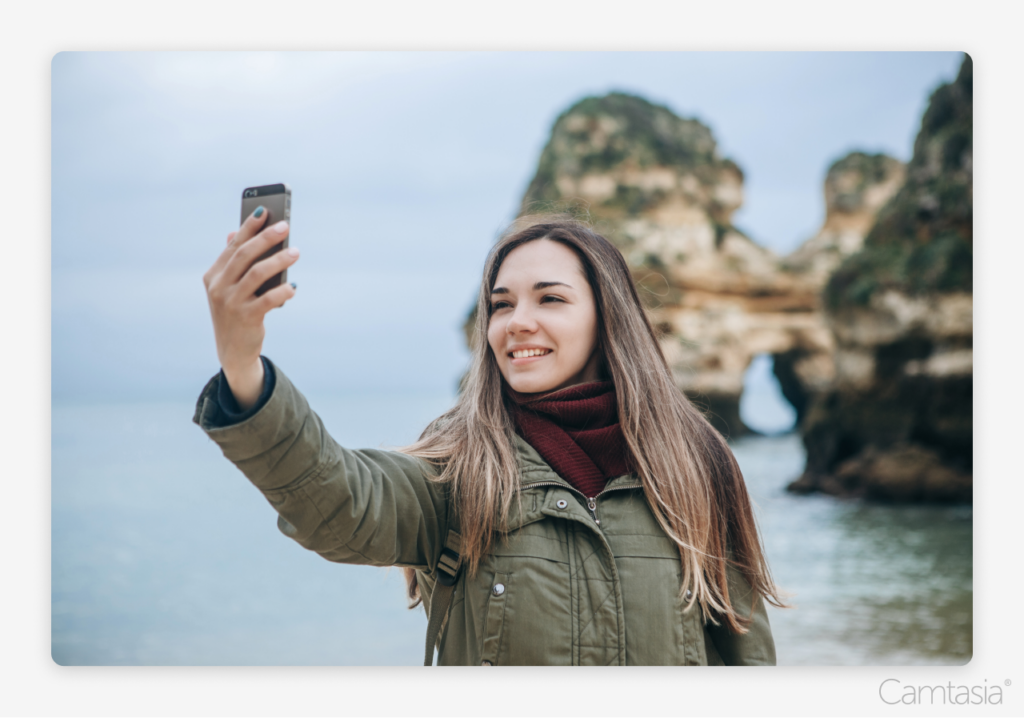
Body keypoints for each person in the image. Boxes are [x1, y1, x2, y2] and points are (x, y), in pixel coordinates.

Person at [194, 210, 783, 666]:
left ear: (608, 317)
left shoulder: (694, 466)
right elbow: (339, 500)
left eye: (550, 298)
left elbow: (747, 660)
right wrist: (244, 366)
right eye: (501, 305)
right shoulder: (460, 469)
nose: (517, 321)